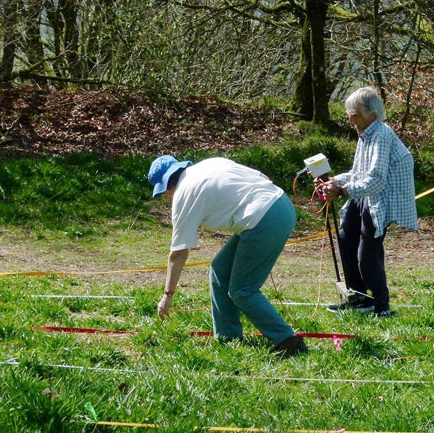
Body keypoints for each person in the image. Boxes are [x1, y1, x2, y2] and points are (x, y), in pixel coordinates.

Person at [148, 154, 307, 357]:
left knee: (242, 290)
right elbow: (263, 177)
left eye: (164, 193)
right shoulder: (209, 164)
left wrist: (167, 296)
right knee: (220, 269)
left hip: (265, 220)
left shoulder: (183, 194)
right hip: (281, 204)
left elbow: (178, 253)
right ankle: (228, 338)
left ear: (167, 186)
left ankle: (289, 342)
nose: (167, 197)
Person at [316, 86, 417, 317]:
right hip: (364, 195)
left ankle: (381, 306)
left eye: (355, 114)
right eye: (349, 114)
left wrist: (341, 190)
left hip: (381, 200)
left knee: (368, 253)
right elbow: (357, 173)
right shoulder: (365, 135)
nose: (350, 119)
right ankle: (359, 299)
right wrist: (332, 181)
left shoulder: (381, 135)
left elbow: (376, 181)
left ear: (372, 115)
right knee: (345, 237)